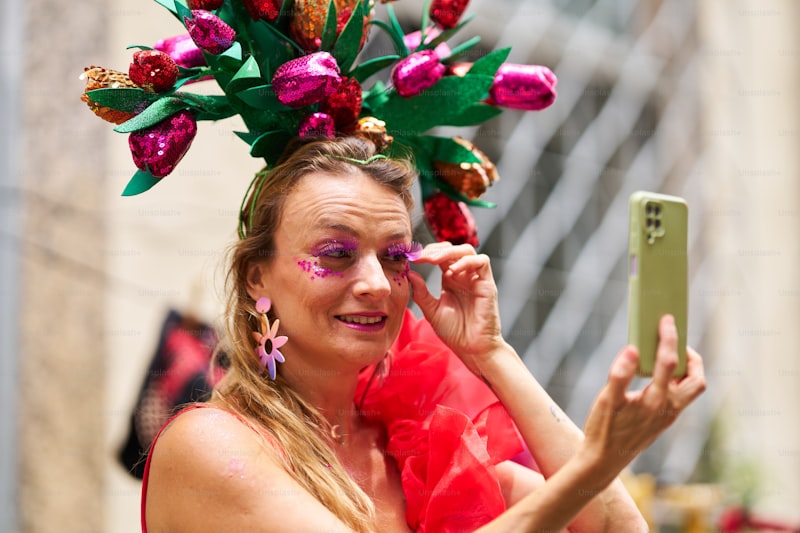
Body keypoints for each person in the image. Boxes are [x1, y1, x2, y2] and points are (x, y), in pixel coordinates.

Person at [140, 136, 706, 533]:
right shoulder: (212, 446)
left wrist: (492, 353)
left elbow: (614, 529)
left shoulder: (410, 448)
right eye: (335, 254)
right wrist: (596, 462)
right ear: (256, 275)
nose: (375, 285)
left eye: (394, 257)